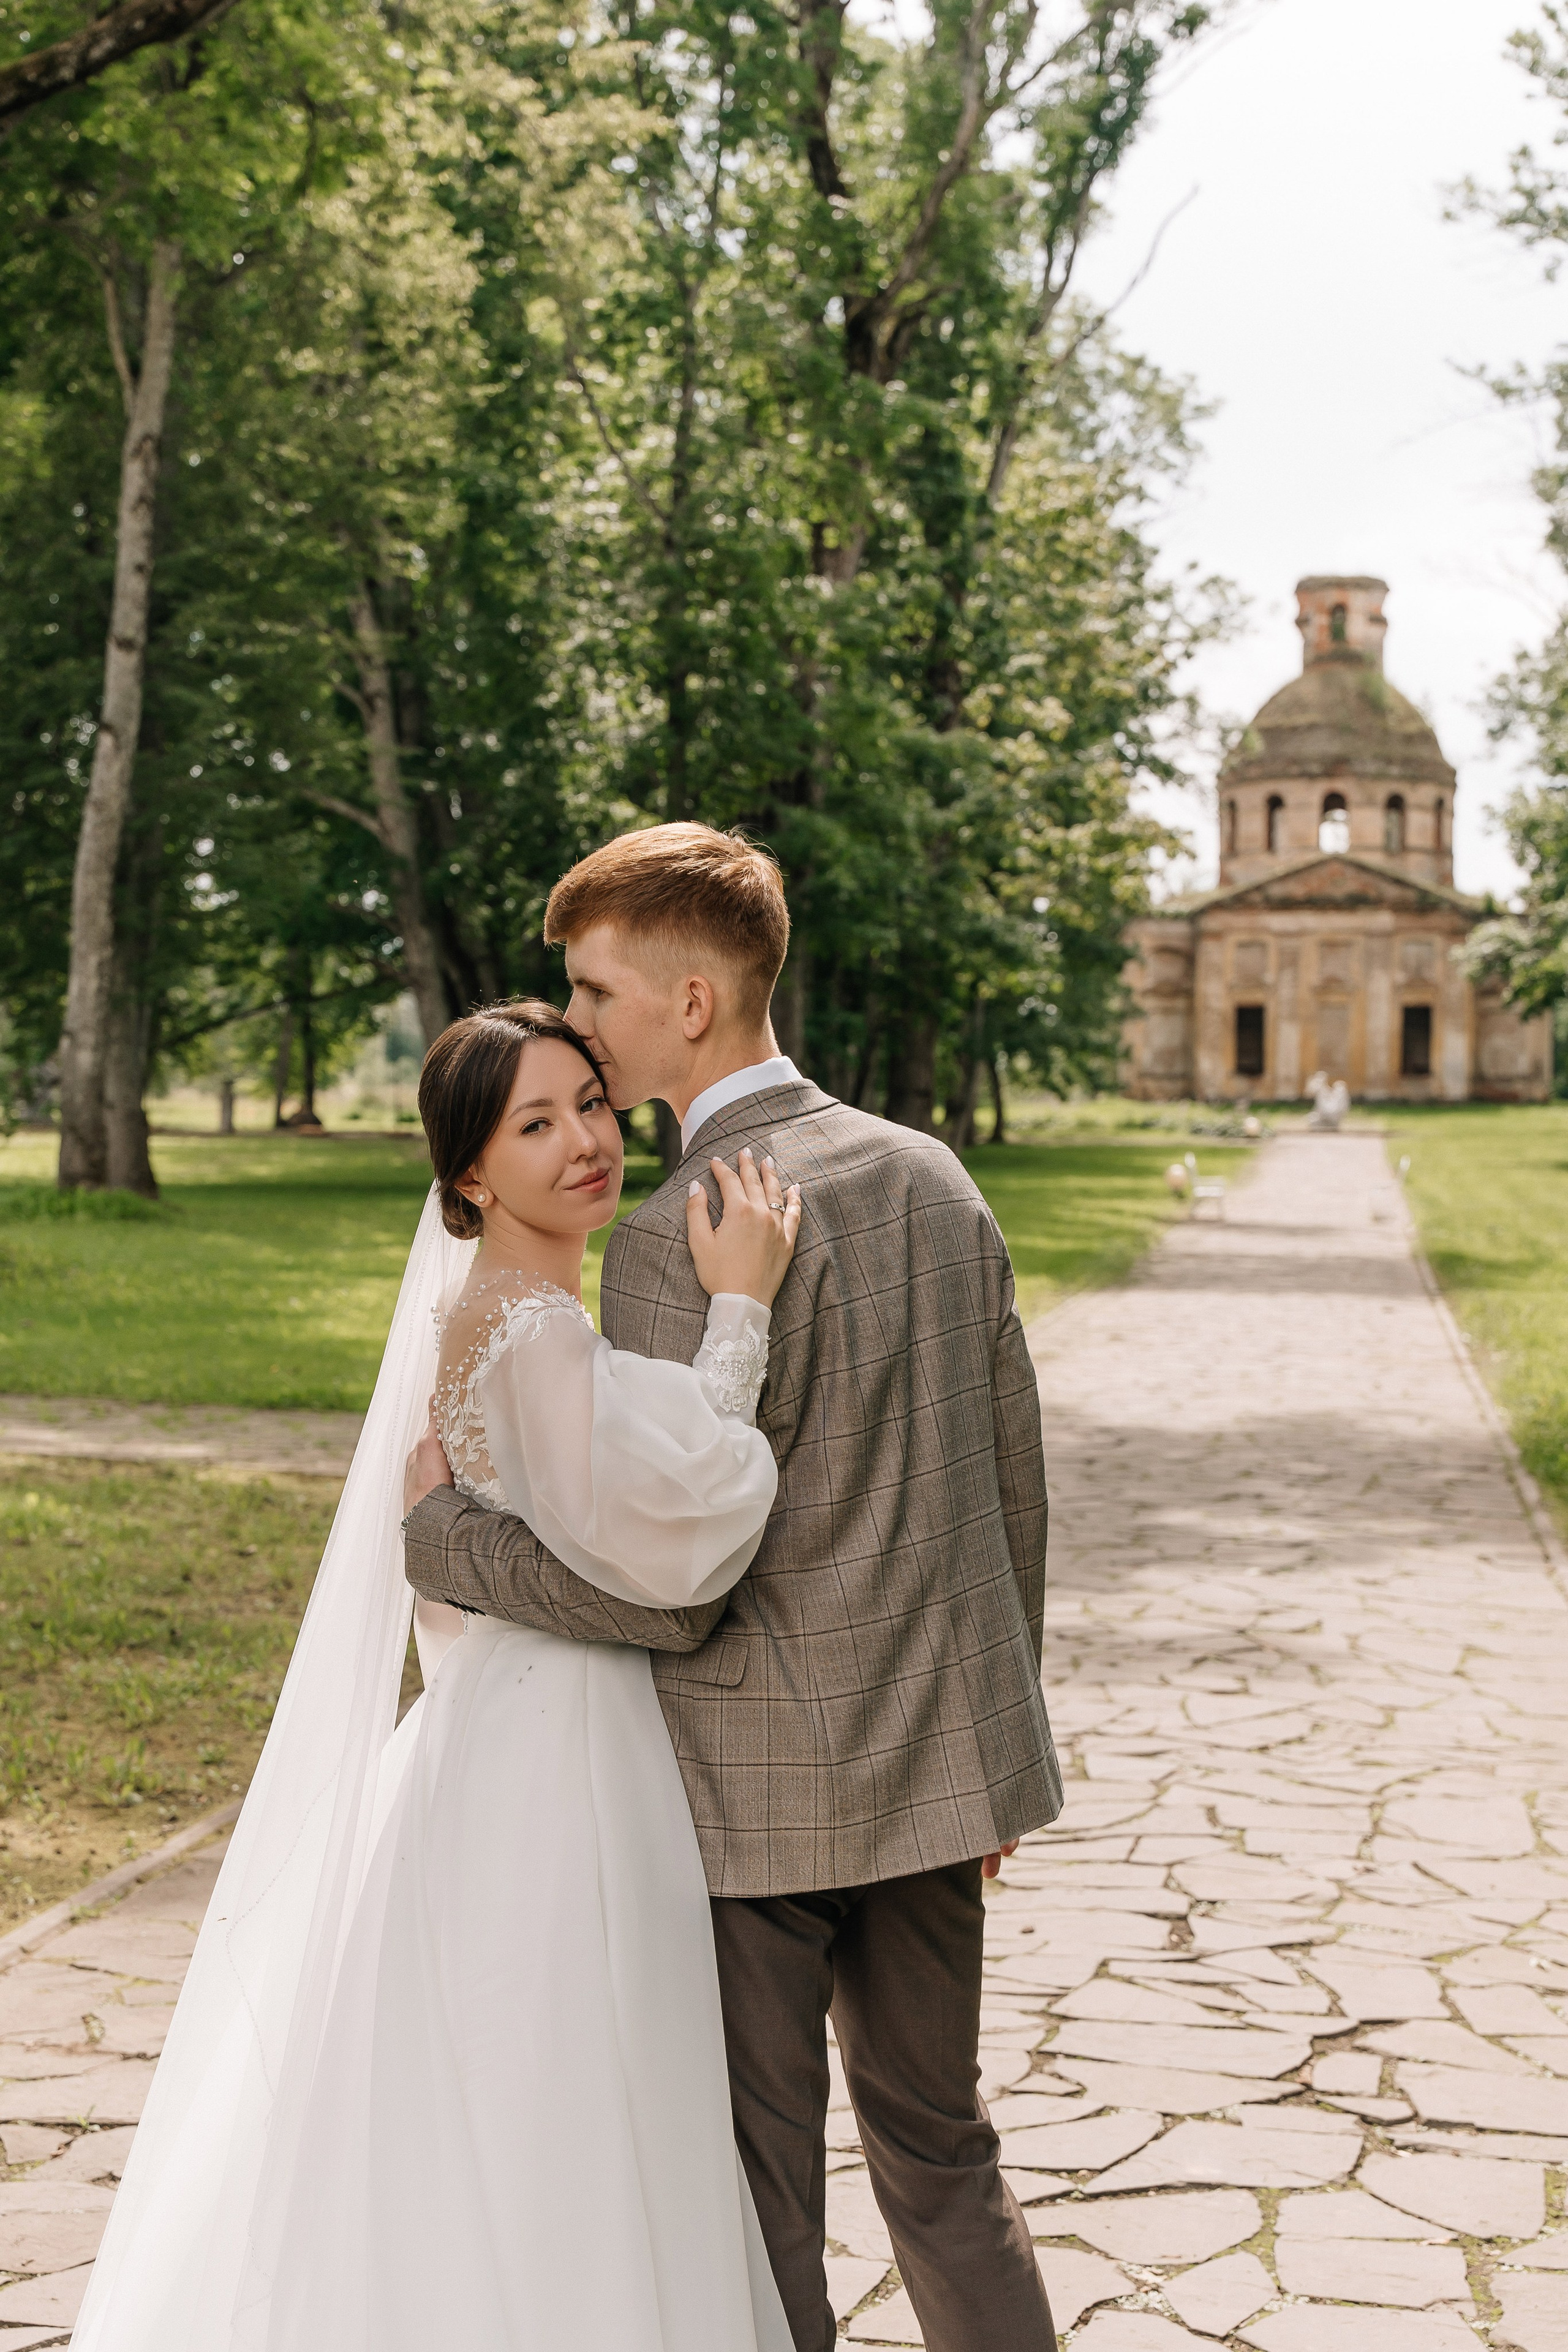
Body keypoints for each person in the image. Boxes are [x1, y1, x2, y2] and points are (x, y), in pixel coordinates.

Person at [404, 821, 1064, 2352]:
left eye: (593, 993)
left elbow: (663, 1590)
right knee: (942, 2151)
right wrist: (993, 1760)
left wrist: (447, 1546)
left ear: (686, 1006)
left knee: (758, 2191)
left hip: (734, 1801)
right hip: (932, 1781)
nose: (577, 1023)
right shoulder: (933, 1178)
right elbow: (1006, 1486)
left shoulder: (660, 1244)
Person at [70, 998, 801, 2352]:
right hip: (560, 1754)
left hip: (500, 1727)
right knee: (566, 2086)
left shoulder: (508, 1317)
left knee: (515, 2080)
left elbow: (466, 1580)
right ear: (469, 1174)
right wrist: (741, 1307)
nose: (586, 1140)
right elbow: (687, 1528)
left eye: (590, 1099)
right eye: (536, 1124)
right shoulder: (526, 1331)